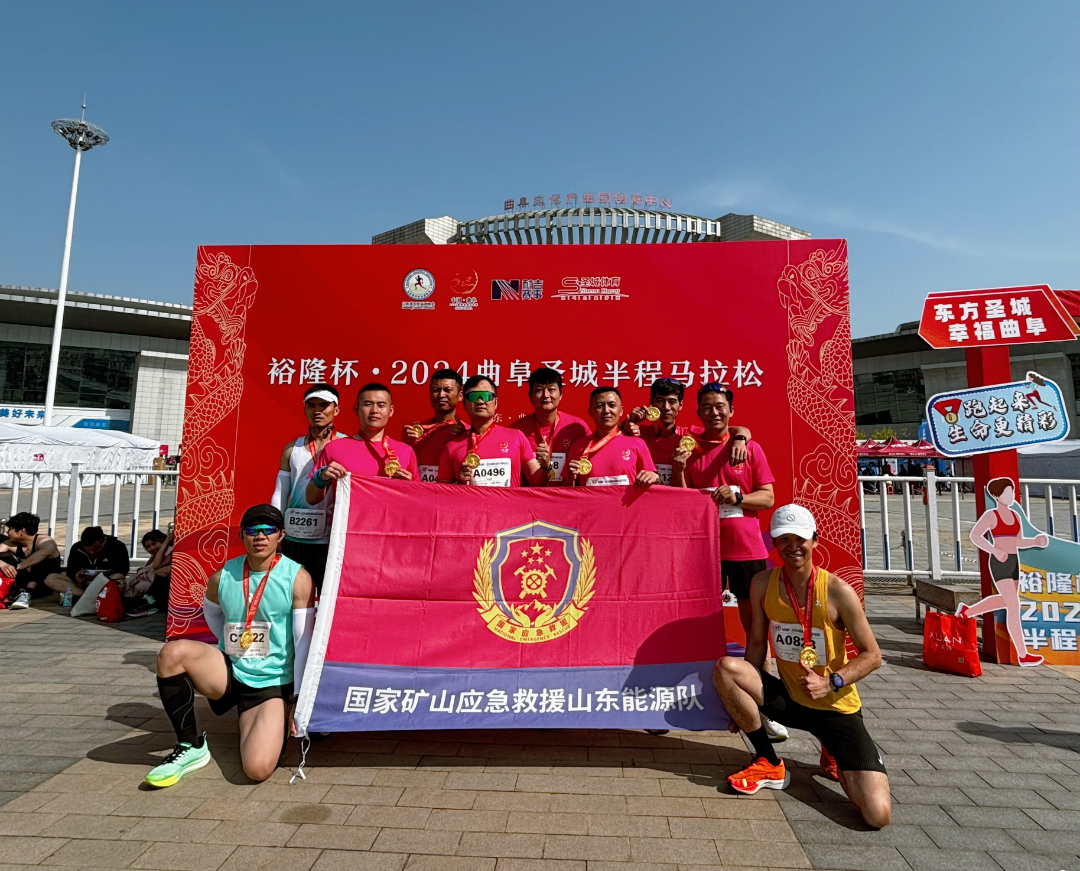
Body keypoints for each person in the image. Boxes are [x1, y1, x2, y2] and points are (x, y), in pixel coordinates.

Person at [713, 504, 891, 828]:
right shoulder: (762, 583)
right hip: (790, 698)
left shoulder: (838, 590)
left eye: (800, 539)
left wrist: (831, 682)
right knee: (727, 668)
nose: (793, 546)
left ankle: (833, 749)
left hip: (834, 706)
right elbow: (756, 643)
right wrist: (744, 699)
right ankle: (768, 762)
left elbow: (873, 655)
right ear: (775, 543)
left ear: (815, 540)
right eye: (784, 539)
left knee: (877, 815)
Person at [145, 504, 315, 787]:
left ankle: (266, 718)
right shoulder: (223, 575)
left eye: (268, 530)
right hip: (231, 671)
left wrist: (299, 699)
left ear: (281, 535)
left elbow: (303, 641)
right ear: (242, 535)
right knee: (172, 653)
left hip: (272, 683)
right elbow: (213, 615)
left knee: (257, 770)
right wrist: (229, 646)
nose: (260, 536)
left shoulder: (298, 578)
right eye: (252, 530)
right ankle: (190, 746)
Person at [960, 477, 1049, 666]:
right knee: (1013, 605)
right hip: (999, 562)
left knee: (1007, 601)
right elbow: (975, 535)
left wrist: (1035, 542)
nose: (1012, 495)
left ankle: (966, 612)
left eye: (1013, 491)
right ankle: (1023, 654)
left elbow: (1018, 541)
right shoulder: (991, 515)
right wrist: (994, 550)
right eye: (1007, 492)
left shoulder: (1015, 516)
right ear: (996, 495)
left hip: (1014, 561)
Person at [272, 383, 346, 592]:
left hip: (331, 540)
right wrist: (276, 529)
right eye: (311, 405)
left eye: (324, 405)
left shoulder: (347, 446)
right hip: (295, 537)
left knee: (327, 597)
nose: (317, 411)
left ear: (336, 410)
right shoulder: (292, 449)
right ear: (305, 409)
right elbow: (280, 493)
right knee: (293, 594)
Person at [306, 383, 419, 506]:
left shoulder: (406, 451)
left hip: (391, 518)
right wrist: (321, 478)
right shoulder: (334, 448)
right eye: (368, 404)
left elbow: (418, 503)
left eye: (381, 405)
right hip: (347, 519)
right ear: (356, 409)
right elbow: (311, 498)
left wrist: (409, 488)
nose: (374, 410)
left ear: (390, 411)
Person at [437, 376, 546, 487]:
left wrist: (546, 467)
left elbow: (537, 480)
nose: (480, 401)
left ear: (496, 403)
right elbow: (441, 492)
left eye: (486, 396)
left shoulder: (517, 437)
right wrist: (459, 484)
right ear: (464, 404)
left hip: (507, 500)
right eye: (474, 396)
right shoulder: (452, 446)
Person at [564, 387, 659, 487]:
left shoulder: (637, 444)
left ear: (621, 411)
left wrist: (654, 477)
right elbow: (565, 490)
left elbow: (653, 485)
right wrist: (570, 479)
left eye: (612, 405)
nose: (606, 410)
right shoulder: (579, 447)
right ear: (590, 412)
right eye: (600, 406)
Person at [510, 367, 589, 485]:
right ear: (530, 396)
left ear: (561, 394)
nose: (545, 395)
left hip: (567, 494)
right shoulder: (516, 430)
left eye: (551, 389)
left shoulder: (577, 427)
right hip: (530, 495)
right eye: (539, 390)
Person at [401, 369, 468, 483]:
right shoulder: (415, 432)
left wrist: (463, 437)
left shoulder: (467, 433)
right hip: (420, 492)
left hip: (450, 494)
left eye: (447, 390)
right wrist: (405, 445)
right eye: (435, 390)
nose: (441, 395)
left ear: (460, 396)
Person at [45, 526, 130, 599]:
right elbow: (70, 571)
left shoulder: (117, 547)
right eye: (87, 550)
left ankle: (93, 597)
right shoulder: (77, 548)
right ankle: (86, 596)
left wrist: (102, 575)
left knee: (118, 578)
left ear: (103, 540)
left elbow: (123, 569)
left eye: (96, 549)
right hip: (82, 585)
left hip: (105, 583)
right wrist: (77, 576)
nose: (92, 552)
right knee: (51, 578)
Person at [0, 513, 62, 610]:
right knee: (4, 556)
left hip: (45, 583)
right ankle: (20, 594)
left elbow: (43, 553)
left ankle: (26, 594)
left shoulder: (45, 541)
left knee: (36, 563)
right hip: (23, 583)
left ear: (22, 530)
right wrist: (2, 564)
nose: (7, 532)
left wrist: (18, 566)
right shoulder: (10, 544)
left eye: (10, 529)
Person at [124, 528, 174, 617]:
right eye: (148, 547)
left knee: (140, 586)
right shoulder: (155, 555)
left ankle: (146, 604)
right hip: (152, 581)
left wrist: (165, 543)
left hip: (158, 583)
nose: (152, 548)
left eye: (154, 544)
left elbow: (156, 566)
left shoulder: (167, 551)